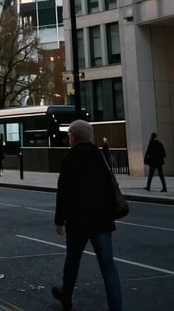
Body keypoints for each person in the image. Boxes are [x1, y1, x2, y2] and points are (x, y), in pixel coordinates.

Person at [52, 119, 122, 311]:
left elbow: (63, 192)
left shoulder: (69, 159)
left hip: (77, 221)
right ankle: (116, 307)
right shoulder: (100, 156)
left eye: (69, 135)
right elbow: (109, 188)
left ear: (74, 137)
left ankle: (66, 298)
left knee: (72, 263)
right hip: (101, 220)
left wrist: (60, 219)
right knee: (108, 268)